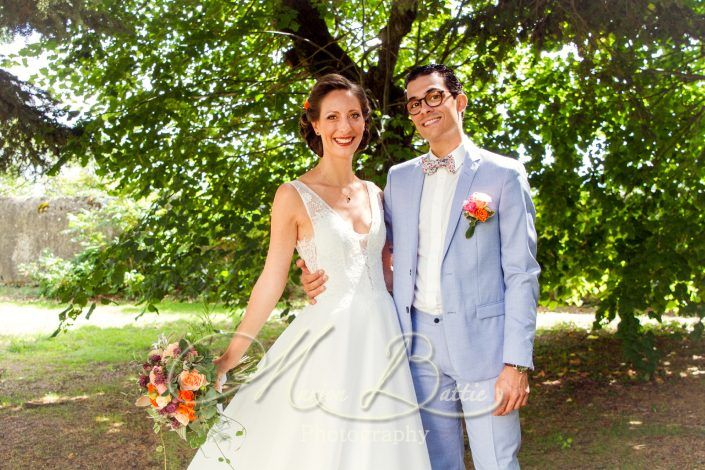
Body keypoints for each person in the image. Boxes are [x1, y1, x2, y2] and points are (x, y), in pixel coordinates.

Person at [300, 64, 540, 469]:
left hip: (485, 347)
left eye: (433, 96)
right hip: (416, 348)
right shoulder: (400, 179)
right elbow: (370, 248)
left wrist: (516, 362)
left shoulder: (504, 175)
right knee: (432, 463)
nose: (424, 108)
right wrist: (314, 271)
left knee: (497, 462)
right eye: (414, 103)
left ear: (458, 101)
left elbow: (522, 274)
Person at [188, 74, 431, 469]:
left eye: (354, 115)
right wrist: (231, 355)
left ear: (366, 122)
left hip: (382, 339)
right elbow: (271, 279)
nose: (344, 127)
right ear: (315, 124)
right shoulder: (292, 195)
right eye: (332, 117)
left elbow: (388, 271)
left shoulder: (377, 193)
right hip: (327, 340)